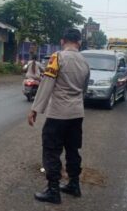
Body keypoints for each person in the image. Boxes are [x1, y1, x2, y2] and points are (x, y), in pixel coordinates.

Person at [28, 29, 90, 204]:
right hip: (77, 113)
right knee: (72, 150)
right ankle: (74, 184)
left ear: (63, 41)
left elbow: (47, 84)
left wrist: (35, 109)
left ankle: (53, 190)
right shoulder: (85, 61)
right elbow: (84, 89)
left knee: (51, 150)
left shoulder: (57, 57)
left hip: (58, 114)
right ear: (79, 42)